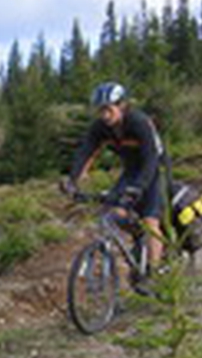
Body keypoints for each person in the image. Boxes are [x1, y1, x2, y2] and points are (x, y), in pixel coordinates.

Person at [61, 81, 168, 282]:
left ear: (122, 105)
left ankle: (155, 274)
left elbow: (151, 159)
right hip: (130, 170)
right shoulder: (100, 128)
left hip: (154, 169)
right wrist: (72, 181)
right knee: (113, 214)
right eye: (100, 110)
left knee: (150, 221)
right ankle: (138, 236)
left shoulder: (139, 122)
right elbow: (86, 153)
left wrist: (138, 187)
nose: (104, 115)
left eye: (108, 109)